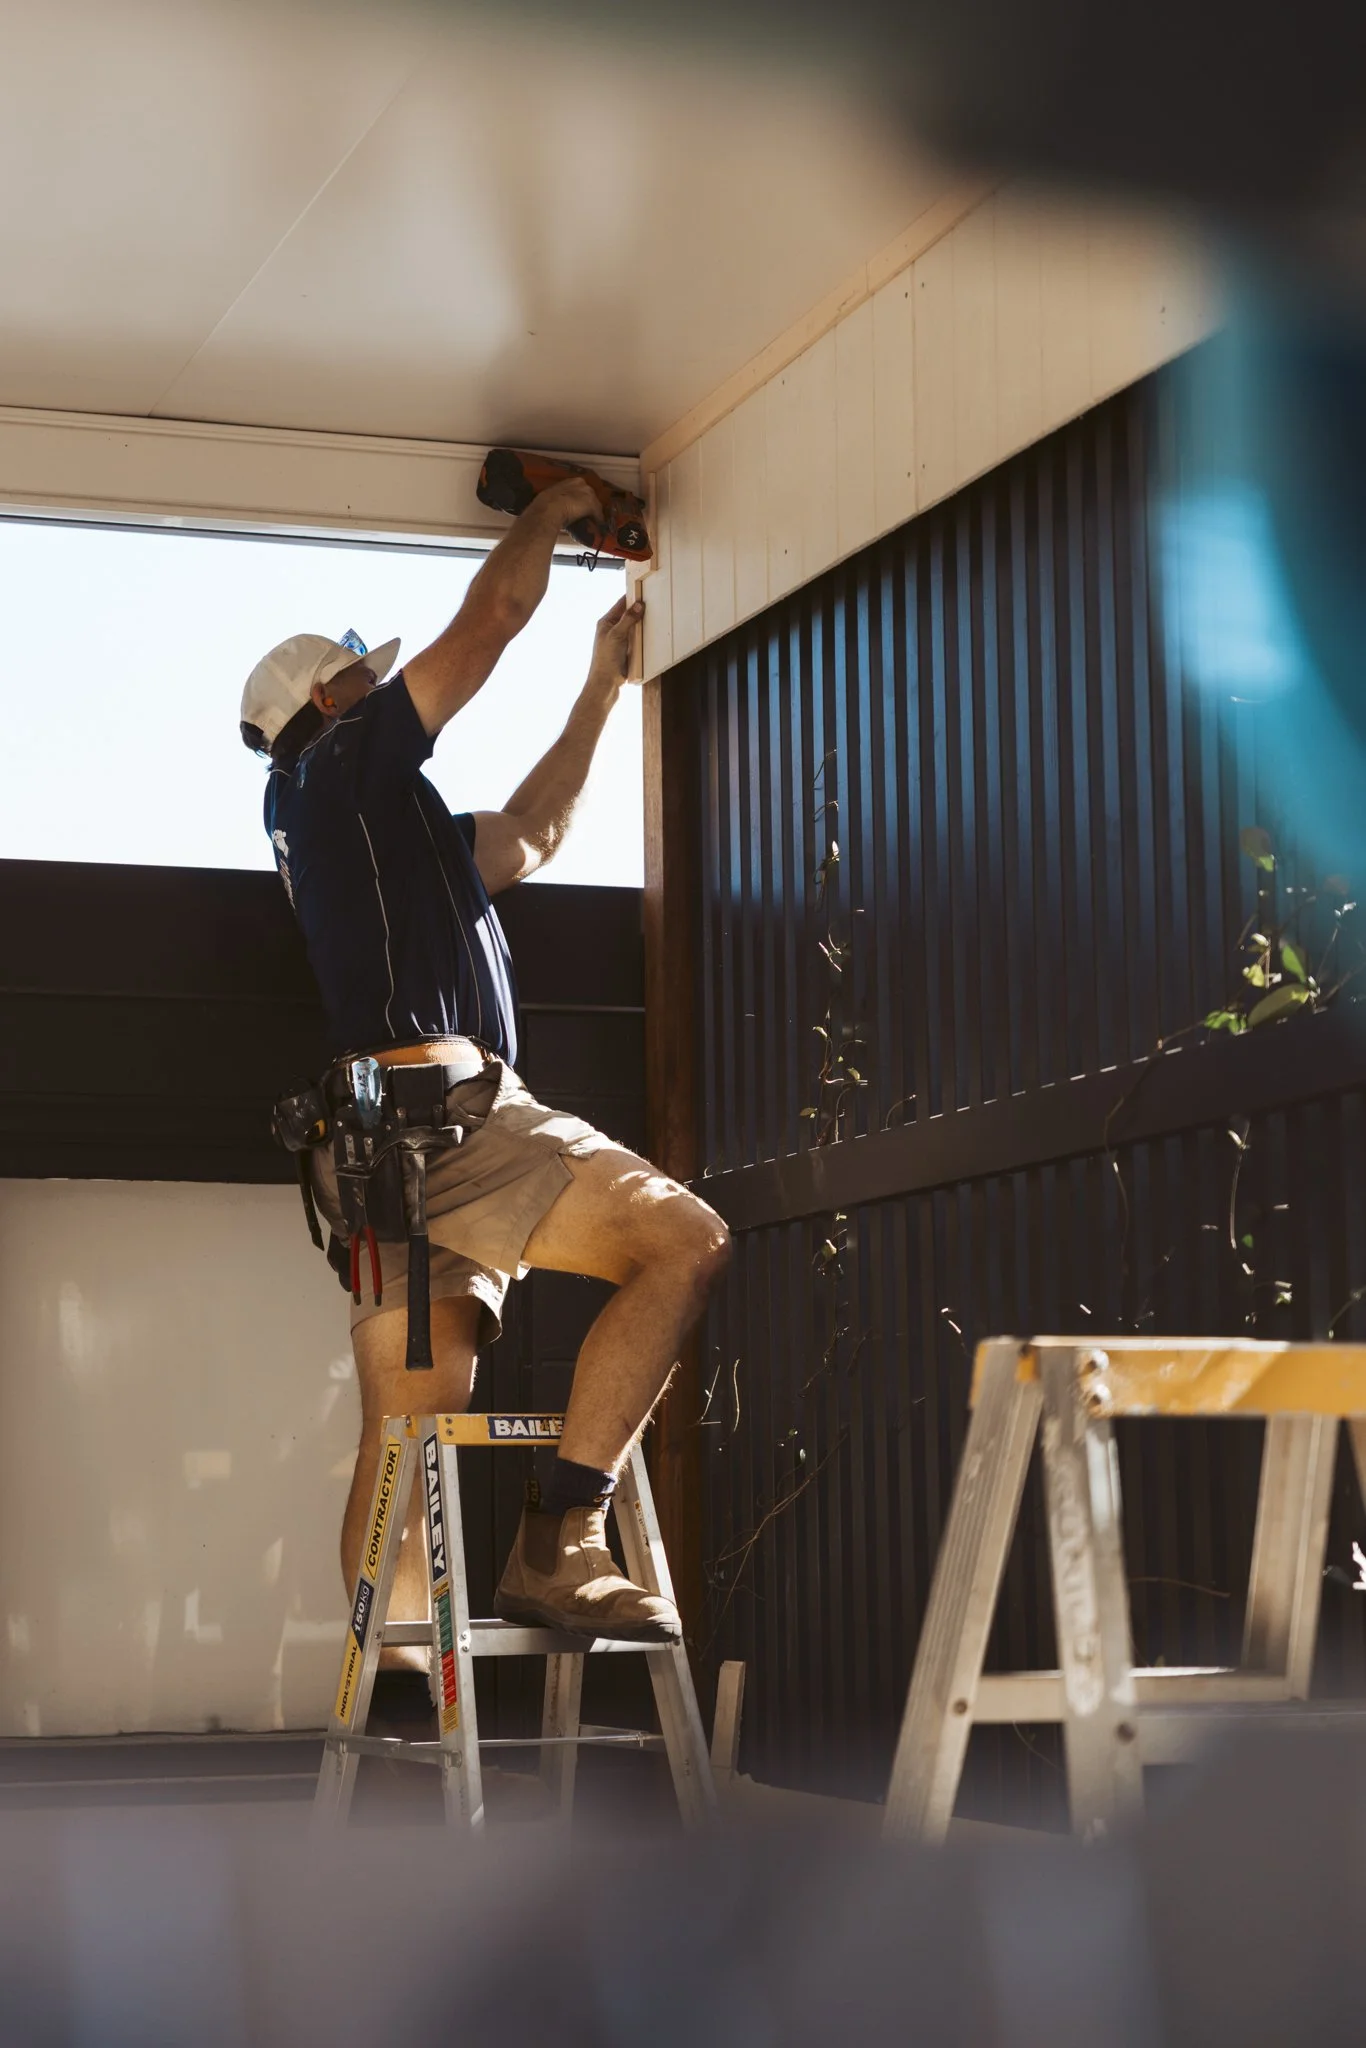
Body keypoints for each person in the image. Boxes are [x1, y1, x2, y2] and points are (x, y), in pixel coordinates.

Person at [239, 473, 730, 1644]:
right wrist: (553, 509)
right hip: (452, 1117)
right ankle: (562, 1536)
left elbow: (536, 831)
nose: (387, 685)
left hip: (385, 1158)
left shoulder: (370, 829)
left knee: (404, 1437)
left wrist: (601, 690)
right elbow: (492, 620)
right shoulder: (336, 767)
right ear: (331, 699)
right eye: (368, 676)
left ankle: (393, 1692)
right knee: (682, 1240)